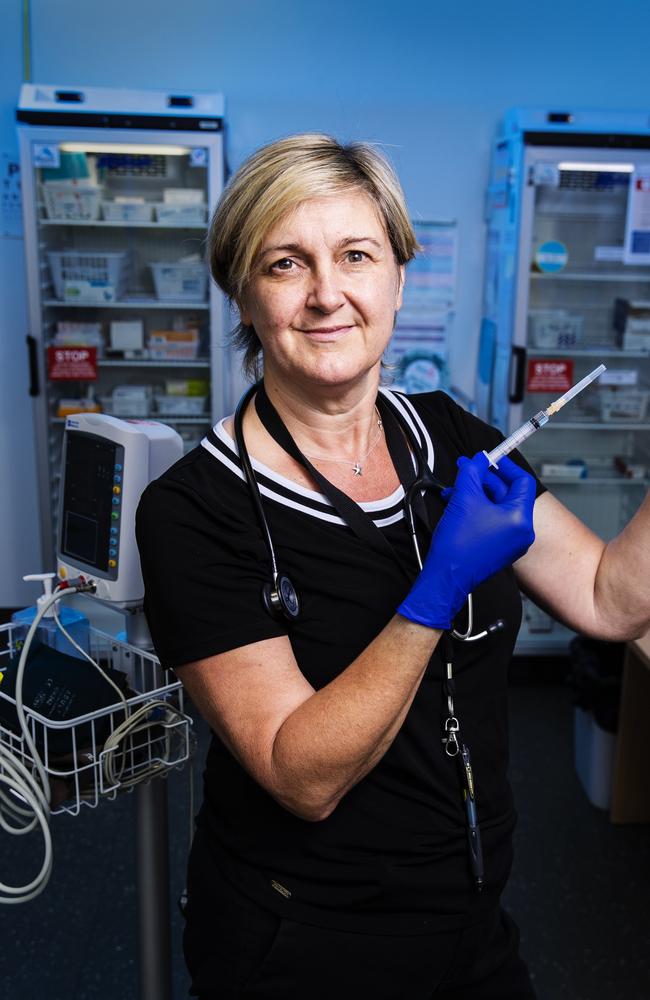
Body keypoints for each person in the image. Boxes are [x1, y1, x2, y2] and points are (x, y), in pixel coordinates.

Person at [135, 134, 650, 1000]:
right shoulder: (196, 510)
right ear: (244, 294)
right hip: (304, 938)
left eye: (357, 256)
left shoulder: (449, 435)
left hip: (473, 915)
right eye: (286, 264)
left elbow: (609, 599)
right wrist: (440, 584)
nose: (328, 294)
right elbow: (302, 776)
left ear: (399, 278)